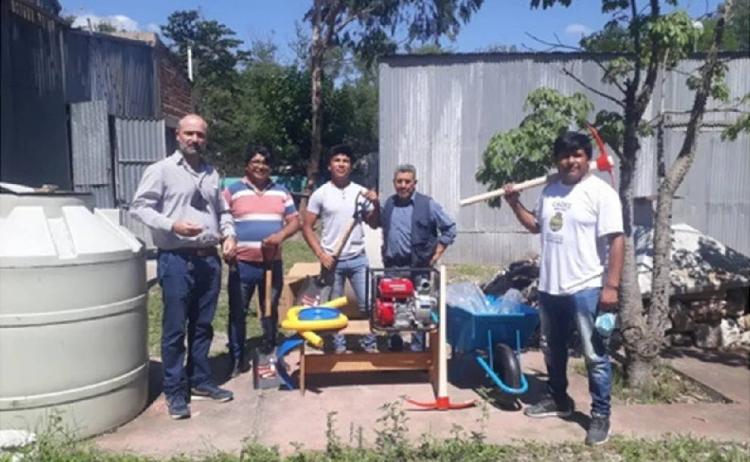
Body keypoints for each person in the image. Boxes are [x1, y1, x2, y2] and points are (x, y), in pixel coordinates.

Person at [503, 131, 624, 446]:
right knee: (552, 350)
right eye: (565, 156)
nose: (571, 161)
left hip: (586, 288)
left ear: (587, 158)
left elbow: (617, 240)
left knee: (595, 355)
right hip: (550, 287)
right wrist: (515, 203)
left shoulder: (601, 193)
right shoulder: (550, 191)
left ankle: (600, 414)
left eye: (578, 155)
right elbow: (536, 226)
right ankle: (559, 400)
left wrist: (611, 286)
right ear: (557, 160)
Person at [131, 114, 237, 420]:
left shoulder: (212, 172)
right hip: (177, 259)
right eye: (189, 133)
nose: (195, 139)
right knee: (175, 329)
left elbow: (223, 210)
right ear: (178, 135)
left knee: (203, 325)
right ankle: (175, 390)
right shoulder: (161, 170)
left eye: (200, 135)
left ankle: (201, 380)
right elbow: (139, 207)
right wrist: (172, 224)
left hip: (209, 259)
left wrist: (229, 234)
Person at [223, 145, 300, 377]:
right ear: (247, 164)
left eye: (265, 162)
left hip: (271, 264)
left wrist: (280, 236)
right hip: (242, 264)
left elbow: (294, 221)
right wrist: (227, 241)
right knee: (238, 311)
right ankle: (236, 357)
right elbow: (221, 218)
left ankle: (270, 349)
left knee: (270, 309)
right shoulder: (232, 191)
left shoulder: (281, 192)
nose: (260, 166)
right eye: (255, 161)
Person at [302, 144, 380, 353]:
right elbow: (307, 227)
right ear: (330, 165)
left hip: (358, 258)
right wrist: (321, 254)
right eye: (337, 160)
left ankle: (369, 343)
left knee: (369, 304)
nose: (341, 164)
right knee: (333, 306)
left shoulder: (360, 192)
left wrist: (376, 204)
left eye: (345, 161)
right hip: (332, 260)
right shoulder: (320, 194)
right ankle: (338, 346)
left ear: (350, 166)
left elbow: (373, 223)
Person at [380, 164, 456, 351]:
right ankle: (394, 348)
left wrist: (437, 252)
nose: (403, 185)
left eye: (407, 181)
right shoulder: (388, 204)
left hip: (418, 266)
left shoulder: (428, 204)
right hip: (393, 266)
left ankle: (418, 352)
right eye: (399, 181)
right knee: (392, 310)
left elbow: (450, 228)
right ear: (394, 183)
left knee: (421, 310)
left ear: (415, 183)